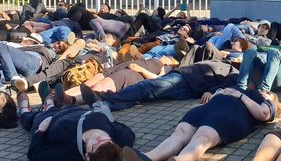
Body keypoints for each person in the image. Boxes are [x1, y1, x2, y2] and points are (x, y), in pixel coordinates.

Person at [121, 87, 281, 161]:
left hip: (230, 116)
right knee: (180, 133)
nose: (264, 90)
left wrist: (240, 96)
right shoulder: (241, 87)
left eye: (269, 93)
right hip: (207, 109)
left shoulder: (262, 100)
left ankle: (178, 160)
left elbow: (263, 114)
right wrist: (217, 94)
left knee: (202, 137)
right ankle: (149, 157)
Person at [17, 89, 135, 161]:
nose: (99, 138)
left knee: (28, 119)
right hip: (74, 110)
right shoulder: (120, 139)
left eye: (95, 145)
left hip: (48, 121)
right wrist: (111, 122)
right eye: (106, 140)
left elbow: (34, 154)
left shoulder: (68, 157)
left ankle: (25, 107)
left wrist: (41, 131)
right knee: (56, 104)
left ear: (87, 156)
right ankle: (53, 102)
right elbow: (127, 131)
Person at [80, 59, 239, 111]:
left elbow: (230, 82)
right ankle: (106, 105)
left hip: (186, 81)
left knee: (147, 88)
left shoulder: (232, 71)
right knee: (146, 95)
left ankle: (105, 97)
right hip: (184, 80)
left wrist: (213, 91)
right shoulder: (214, 60)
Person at [62, 56, 179, 104]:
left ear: (171, 61)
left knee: (96, 89)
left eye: (169, 57)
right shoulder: (153, 58)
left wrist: (140, 69)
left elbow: (159, 80)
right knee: (86, 85)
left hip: (133, 73)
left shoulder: (167, 66)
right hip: (121, 66)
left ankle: (72, 100)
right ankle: (56, 98)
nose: (165, 56)